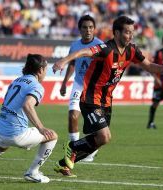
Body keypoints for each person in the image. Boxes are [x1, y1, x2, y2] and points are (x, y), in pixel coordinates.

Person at [52, 15, 163, 171]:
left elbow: (149, 66)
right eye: (127, 32)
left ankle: (63, 164)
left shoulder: (132, 50)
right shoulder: (106, 49)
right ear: (116, 33)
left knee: (101, 140)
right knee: (103, 136)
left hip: (107, 100)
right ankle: (72, 145)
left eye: (132, 32)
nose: (130, 35)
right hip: (90, 98)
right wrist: (63, 61)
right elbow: (83, 52)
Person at [0, 54, 58, 183]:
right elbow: (27, 105)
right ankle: (33, 172)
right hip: (16, 134)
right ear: (40, 70)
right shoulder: (36, 86)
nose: (45, 73)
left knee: (0, 147)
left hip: (1, 127)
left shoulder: (17, 80)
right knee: (52, 136)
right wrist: (41, 128)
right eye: (46, 69)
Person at [59, 15, 103, 164]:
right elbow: (72, 64)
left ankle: (92, 148)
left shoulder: (100, 45)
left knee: (94, 122)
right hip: (78, 85)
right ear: (80, 29)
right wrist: (64, 83)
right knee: (72, 116)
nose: (88, 30)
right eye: (85, 27)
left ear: (94, 29)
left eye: (91, 27)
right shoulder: (75, 45)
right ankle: (74, 150)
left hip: (94, 88)